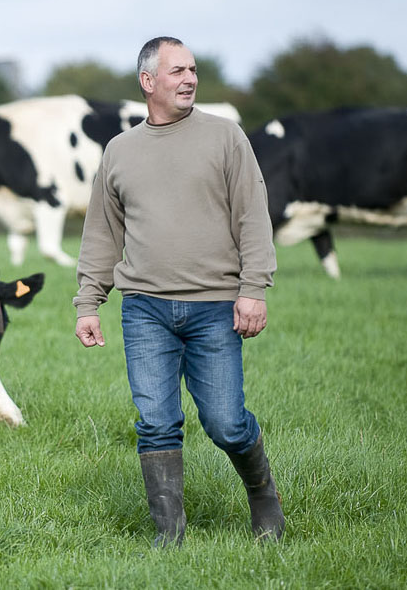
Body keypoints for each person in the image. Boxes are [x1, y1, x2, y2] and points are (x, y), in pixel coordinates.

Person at [73, 36, 285, 547]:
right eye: (177, 71)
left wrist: (252, 289)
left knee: (227, 423)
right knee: (156, 423)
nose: (189, 79)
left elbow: (252, 217)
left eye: (193, 70)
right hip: (143, 309)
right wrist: (88, 302)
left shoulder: (226, 138)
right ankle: (169, 538)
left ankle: (263, 496)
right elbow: (102, 233)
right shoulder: (120, 152)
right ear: (148, 82)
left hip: (215, 307)